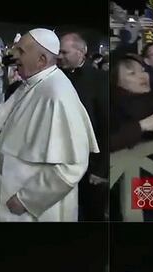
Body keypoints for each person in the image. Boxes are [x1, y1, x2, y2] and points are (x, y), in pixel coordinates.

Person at [0, 29, 99, 221]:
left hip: (37, 209)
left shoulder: (57, 93)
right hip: (14, 197)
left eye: (21, 51)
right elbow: (2, 116)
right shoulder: (32, 83)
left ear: (41, 60)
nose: (14, 55)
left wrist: (29, 199)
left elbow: (73, 165)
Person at [59, 33, 109, 221]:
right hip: (61, 161)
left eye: (65, 52)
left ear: (82, 52)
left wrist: (101, 168)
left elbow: (105, 123)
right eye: (58, 52)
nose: (60, 56)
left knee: (91, 212)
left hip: (90, 163)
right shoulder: (57, 77)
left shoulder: (99, 80)